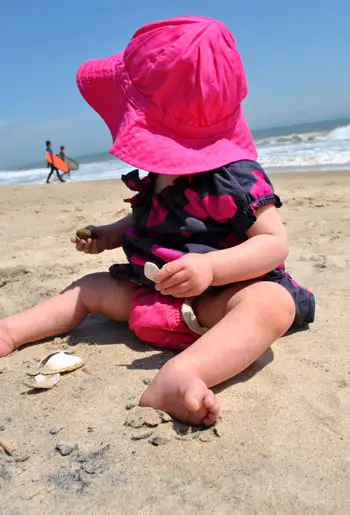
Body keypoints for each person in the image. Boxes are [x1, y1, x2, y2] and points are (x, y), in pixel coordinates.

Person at [0, 17, 315, 425]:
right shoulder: (161, 171)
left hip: (214, 302)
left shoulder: (233, 176)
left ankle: (183, 373)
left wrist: (210, 267)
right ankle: (11, 329)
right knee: (88, 288)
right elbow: (149, 213)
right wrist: (112, 235)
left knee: (272, 305)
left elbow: (273, 242)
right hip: (149, 292)